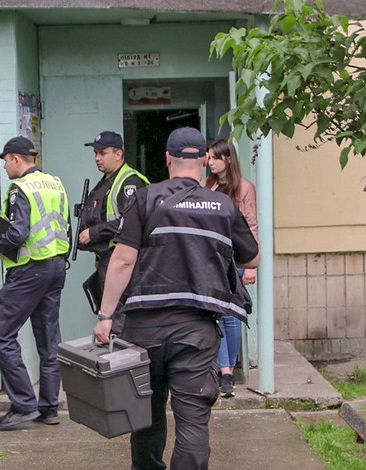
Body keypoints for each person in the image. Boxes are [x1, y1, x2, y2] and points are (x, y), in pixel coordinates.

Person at [93, 127, 259, 470]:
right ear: (203, 160)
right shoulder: (223, 205)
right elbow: (251, 257)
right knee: (193, 421)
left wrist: (105, 316)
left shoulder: (145, 198)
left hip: (144, 329)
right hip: (196, 330)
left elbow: (123, 260)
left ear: (167, 158)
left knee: (147, 416)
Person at [0, 136, 70, 429]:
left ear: (16, 159)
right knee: (49, 341)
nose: (5, 166)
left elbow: (19, 233)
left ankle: (23, 404)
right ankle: (49, 407)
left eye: (5, 160)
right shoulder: (54, 183)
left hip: (30, 270)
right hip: (56, 266)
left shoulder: (19, 188)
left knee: (1, 333)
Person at [202, 139, 259, 398]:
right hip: (211, 258)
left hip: (235, 258)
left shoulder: (244, 187)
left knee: (232, 315)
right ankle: (223, 370)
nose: (210, 162)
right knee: (215, 314)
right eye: (208, 157)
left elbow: (251, 224)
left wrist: (252, 265)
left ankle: (229, 370)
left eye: (215, 157)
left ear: (227, 159)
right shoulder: (206, 185)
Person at [77, 131, 149, 329]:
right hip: (107, 257)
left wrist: (93, 234)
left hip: (122, 258)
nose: (98, 158)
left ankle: (119, 356)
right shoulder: (107, 180)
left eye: (103, 153)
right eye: (96, 154)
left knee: (118, 317)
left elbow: (129, 223)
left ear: (119, 154)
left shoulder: (130, 182)